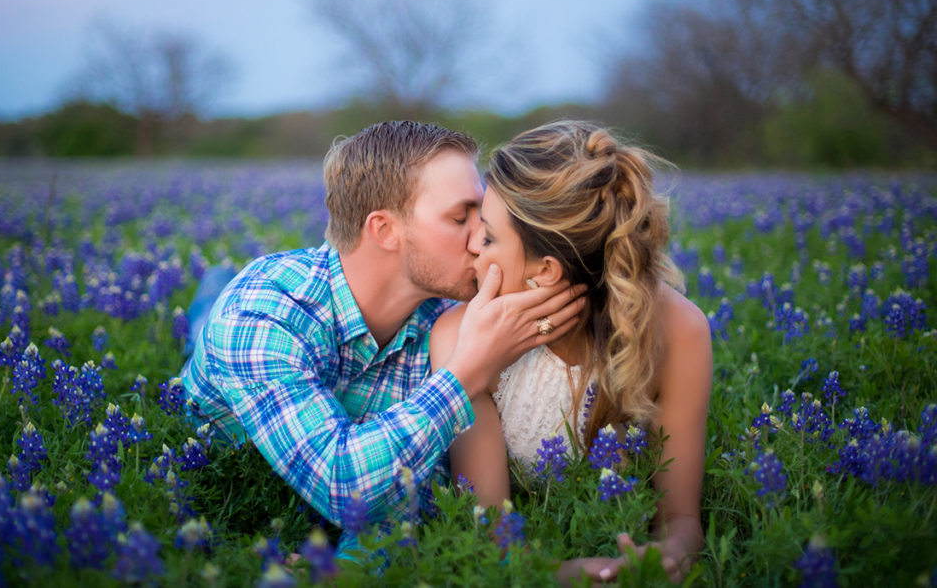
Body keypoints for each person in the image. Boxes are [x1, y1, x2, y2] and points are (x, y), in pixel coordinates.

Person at [177, 120, 587, 555]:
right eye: (459, 216)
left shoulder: (443, 319)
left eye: (482, 215)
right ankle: (213, 290)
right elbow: (345, 484)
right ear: (384, 230)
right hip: (238, 368)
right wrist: (466, 372)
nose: (481, 239)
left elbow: (412, 498)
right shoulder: (260, 319)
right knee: (208, 323)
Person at [429, 121, 713, 583]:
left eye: (488, 234)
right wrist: (564, 573)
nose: (471, 246)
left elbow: (679, 519)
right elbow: (487, 534)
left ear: (545, 272)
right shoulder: (458, 336)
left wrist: (665, 558)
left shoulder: (678, 330)